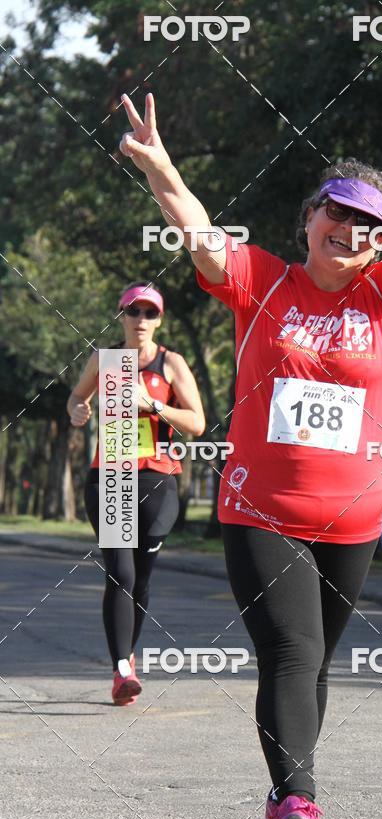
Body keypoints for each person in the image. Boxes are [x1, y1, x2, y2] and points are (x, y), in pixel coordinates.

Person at [118, 84, 382, 819]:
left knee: (317, 662)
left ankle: (286, 799)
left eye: (369, 226)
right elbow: (194, 226)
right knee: (290, 652)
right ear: (311, 218)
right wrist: (159, 166)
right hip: (261, 509)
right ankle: (298, 805)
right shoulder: (260, 282)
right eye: (340, 213)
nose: (351, 231)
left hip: (353, 520)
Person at [67, 283, 205, 705]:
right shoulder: (105, 360)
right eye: (133, 311)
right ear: (121, 316)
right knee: (120, 574)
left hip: (158, 480)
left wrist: (155, 406)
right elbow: (76, 398)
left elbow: (197, 423)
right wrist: (78, 410)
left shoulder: (171, 363)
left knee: (140, 580)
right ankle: (122, 669)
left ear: (158, 320)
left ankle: (127, 656)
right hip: (112, 476)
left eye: (149, 313)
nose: (140, 320)